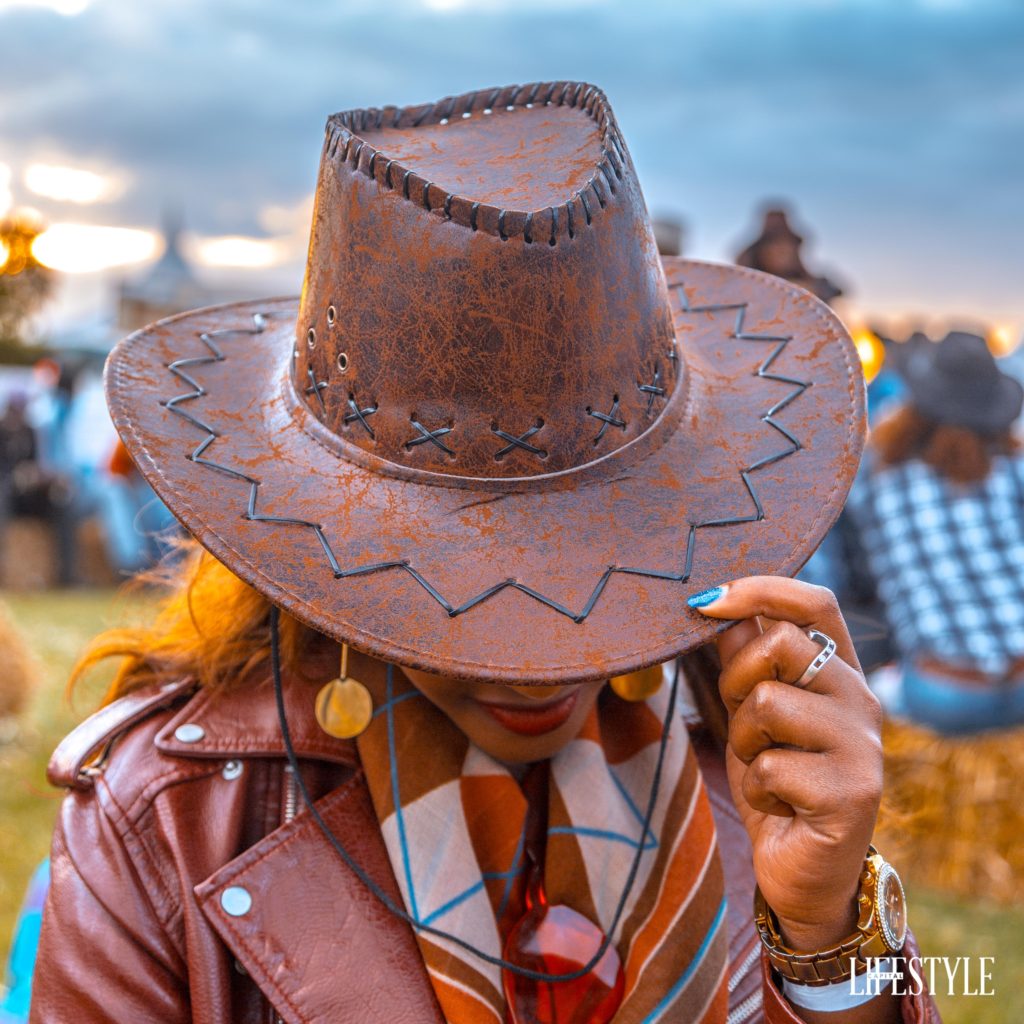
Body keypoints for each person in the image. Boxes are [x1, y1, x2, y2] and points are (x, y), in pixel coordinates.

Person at [30, 82, 937, 1023]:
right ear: (324, 545)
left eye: (593, 555)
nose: (536, 660)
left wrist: (830, 941)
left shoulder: (752, 761)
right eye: (460, 576)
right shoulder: (161, 822)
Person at [847, 330, 1024, 734]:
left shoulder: (874, 475)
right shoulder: (1014, 468)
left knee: (879, 683)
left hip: (945, 697)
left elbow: (851, 569)